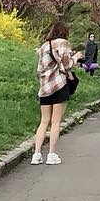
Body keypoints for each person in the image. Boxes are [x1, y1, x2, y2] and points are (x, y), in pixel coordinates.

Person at [31, 19, 77, 164]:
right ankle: (51, 154)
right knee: (55, 122)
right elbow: (67, 65)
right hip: (59, 85)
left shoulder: (44, 46)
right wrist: (76, 58)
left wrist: (42, 84)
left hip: (45, 88)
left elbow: (39, 70)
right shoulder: (63, 43)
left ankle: (36, 154)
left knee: (44, 121)